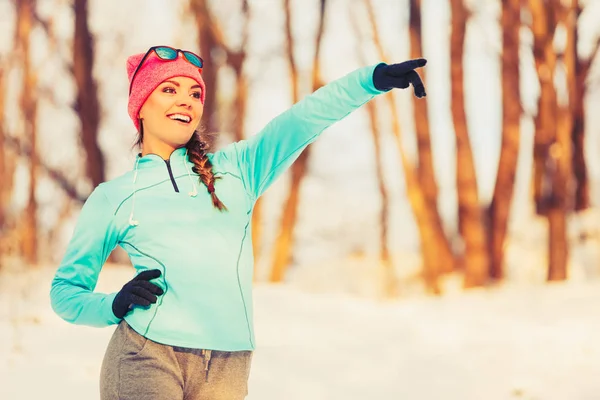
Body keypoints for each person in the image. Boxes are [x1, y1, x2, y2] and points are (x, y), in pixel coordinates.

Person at [49, 45, 427, 400]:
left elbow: (302, 120)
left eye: (194, 94)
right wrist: (113, 304)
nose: (186, 100)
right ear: (140, 106)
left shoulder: (237, 169)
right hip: (146, 356)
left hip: (228, 364)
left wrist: (369, 81)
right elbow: (65, 290)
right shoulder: (113, 197)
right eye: (169, 89)